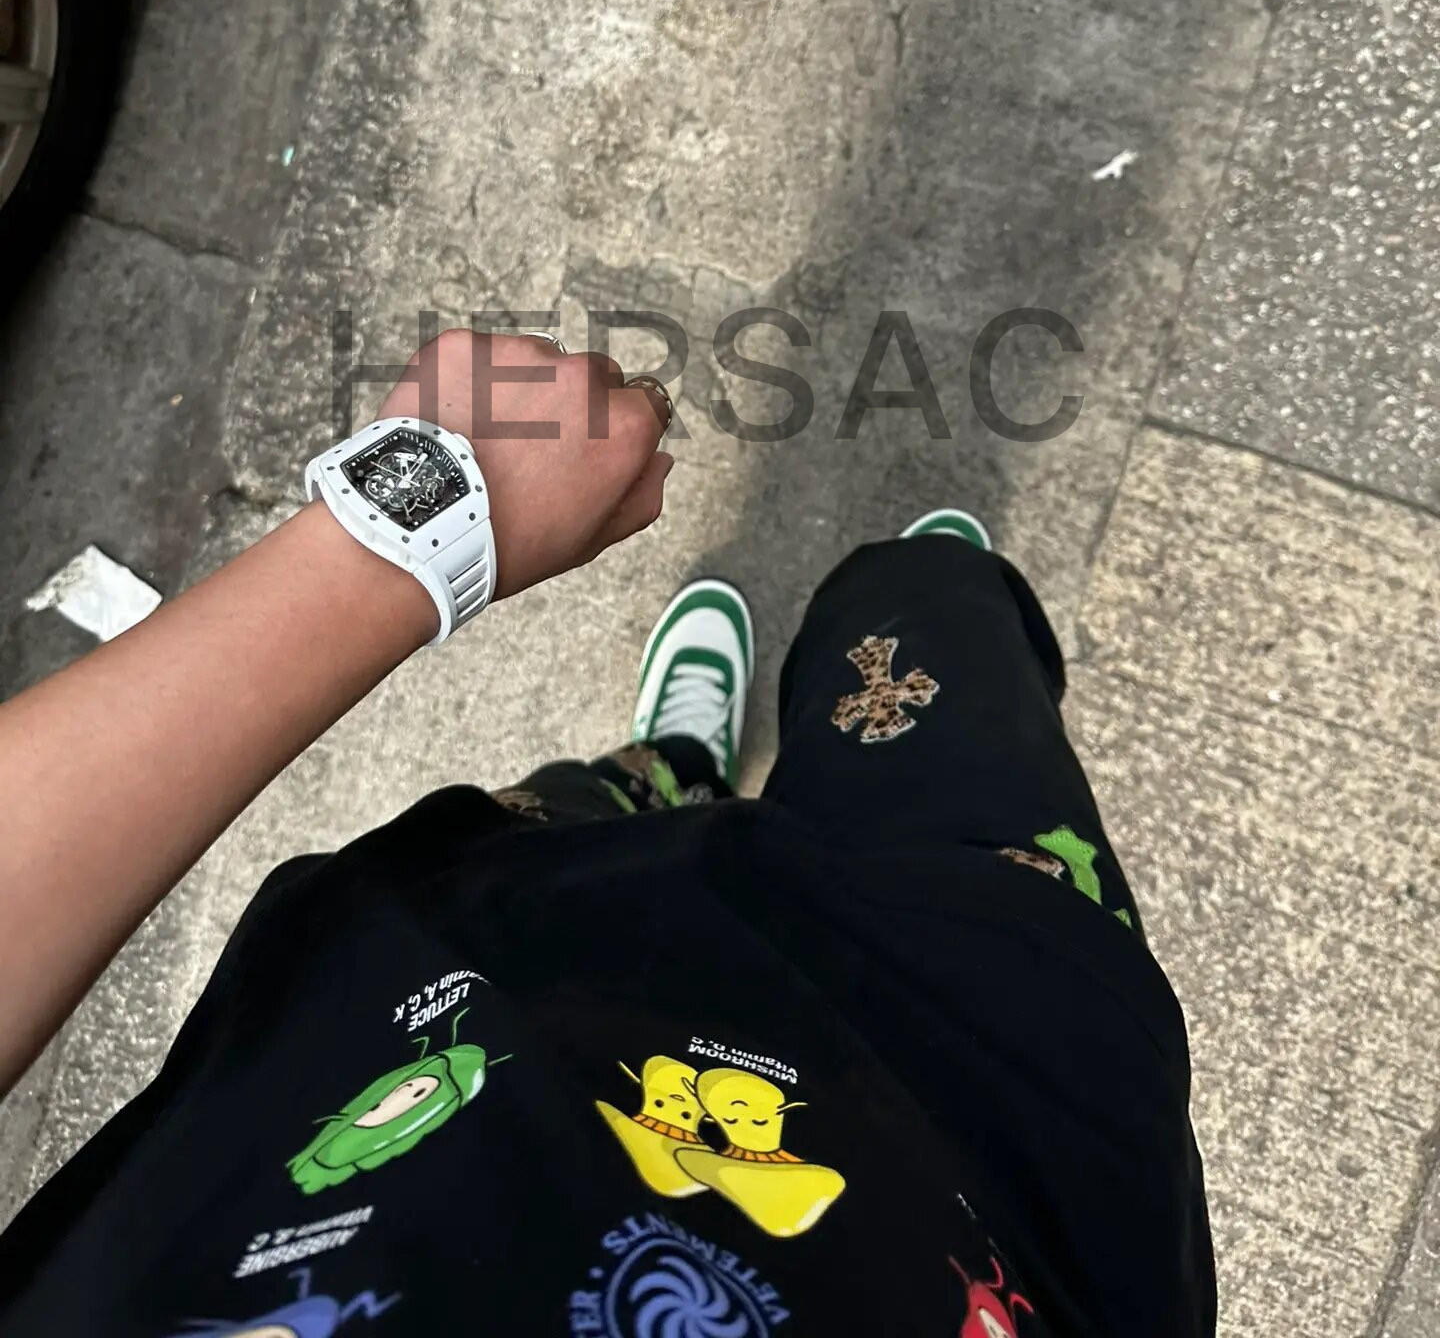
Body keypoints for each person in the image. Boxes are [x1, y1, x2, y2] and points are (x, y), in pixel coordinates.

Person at [0, 330, 1214, 1336]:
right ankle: (913, 623)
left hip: (464, 984)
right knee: (932, 657)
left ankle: (673, 769)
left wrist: (412, 531)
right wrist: (426, 526)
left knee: (589, 823)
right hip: (984, 1104)